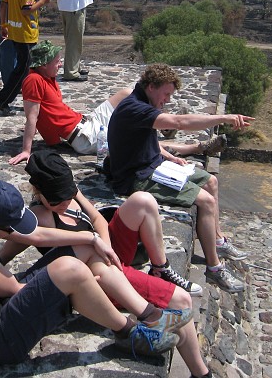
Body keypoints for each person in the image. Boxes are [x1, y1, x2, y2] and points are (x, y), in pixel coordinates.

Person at [0, 151, 213, 378]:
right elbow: (6, 254)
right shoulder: (37, 217)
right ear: (39, 193)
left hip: (108, 258)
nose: (63, 203)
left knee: (143, 199)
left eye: (67, 195)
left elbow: (99, 219)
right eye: (55, 200)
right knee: (181, 300)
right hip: (97, 277)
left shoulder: (74, 195)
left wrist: (108, 250)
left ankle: (161, 269)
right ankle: (201, 374)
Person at [0, 179, 181, 364]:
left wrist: (91, 238)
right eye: (9, 229)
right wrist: (76, 285)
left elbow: (35, 235)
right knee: (70, 270)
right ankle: (129, 333)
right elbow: (15, 290)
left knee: (82, 249)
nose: (15, 232)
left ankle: (149, 314)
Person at [108, 64, 254, 294]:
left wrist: (166, 155)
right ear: (151, 86)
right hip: (136, 177)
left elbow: (140, 139)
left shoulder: (143, 101)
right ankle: (214, 269)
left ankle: (216, 241)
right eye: (165, 94)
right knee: (205, 201)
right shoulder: (135, 107)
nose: (167, 100)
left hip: (153, 164)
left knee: (210, 182)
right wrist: (223, 118)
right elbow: (179, 122)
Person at [8, 41, 227, 166]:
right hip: (85, 137)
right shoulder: (34, 80)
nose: (60, 64)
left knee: (125, 93)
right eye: (56, 61)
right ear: (43, 64)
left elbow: (51, 113)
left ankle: (161, 120)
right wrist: (27, 150)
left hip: (87, 123)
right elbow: (32, 117)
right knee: (140, 138)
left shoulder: (46, 78)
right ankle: (197, 148)